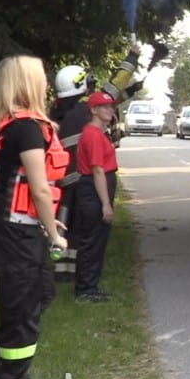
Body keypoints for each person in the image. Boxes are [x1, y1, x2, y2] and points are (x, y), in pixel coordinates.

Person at [0, 54, 69, 379]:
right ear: (29, 82)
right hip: (13, 232)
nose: (46, 82)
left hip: (7, 227)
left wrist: (44, 224)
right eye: (41, 76)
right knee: (23, 313)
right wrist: (54, 233)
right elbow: (40, 190)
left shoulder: (8, 123)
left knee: (38, 295)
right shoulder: (26, 128)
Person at [49, 42, 143, 281]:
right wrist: (132, 57)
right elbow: (113, 87)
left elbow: (109, 101)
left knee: (63, 224)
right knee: (82, 230)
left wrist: (131, 92)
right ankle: (78, 274)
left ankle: (62, 271)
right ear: (80, 85)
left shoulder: (56, 114)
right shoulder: (84, 112)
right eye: (88, 84)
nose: (92, 88)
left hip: (61, 182)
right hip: (84, 180)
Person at [72, 91, 120, 302]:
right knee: (91, 242)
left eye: (111, 106)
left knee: (96, 242)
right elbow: (97, 170)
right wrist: (106, 204)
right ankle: (85, 290)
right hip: (93, 191)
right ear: (93, 110)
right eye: (104, 106)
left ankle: (90, 287)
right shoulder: (92, 135)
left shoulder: (99, 134)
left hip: (95, 190)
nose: (110, 110)